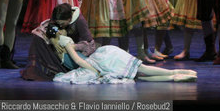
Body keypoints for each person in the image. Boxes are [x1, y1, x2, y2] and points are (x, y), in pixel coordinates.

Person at [46, 22, 197, 84]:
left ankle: (175, 75)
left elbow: (78, 60)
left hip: (103, 58)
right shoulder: (66, 43)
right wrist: (95, 70)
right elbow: (79, 61)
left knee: (139, 73)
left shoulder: (57, 49)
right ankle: (175, 74)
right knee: (139, 72)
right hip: (101, 59)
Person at [21, 3, 96, 81]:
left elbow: (90, 44)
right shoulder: (58, 15)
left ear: (69, 19)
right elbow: (51, 27)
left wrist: (73, 47)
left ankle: (59, 67)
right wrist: (53, 40)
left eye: (63, 24)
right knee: (38, 36)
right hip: (60, 45)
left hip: (74, 50)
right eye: (58, 24)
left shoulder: (80, 21)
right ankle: (39, 69)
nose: (60, 26)